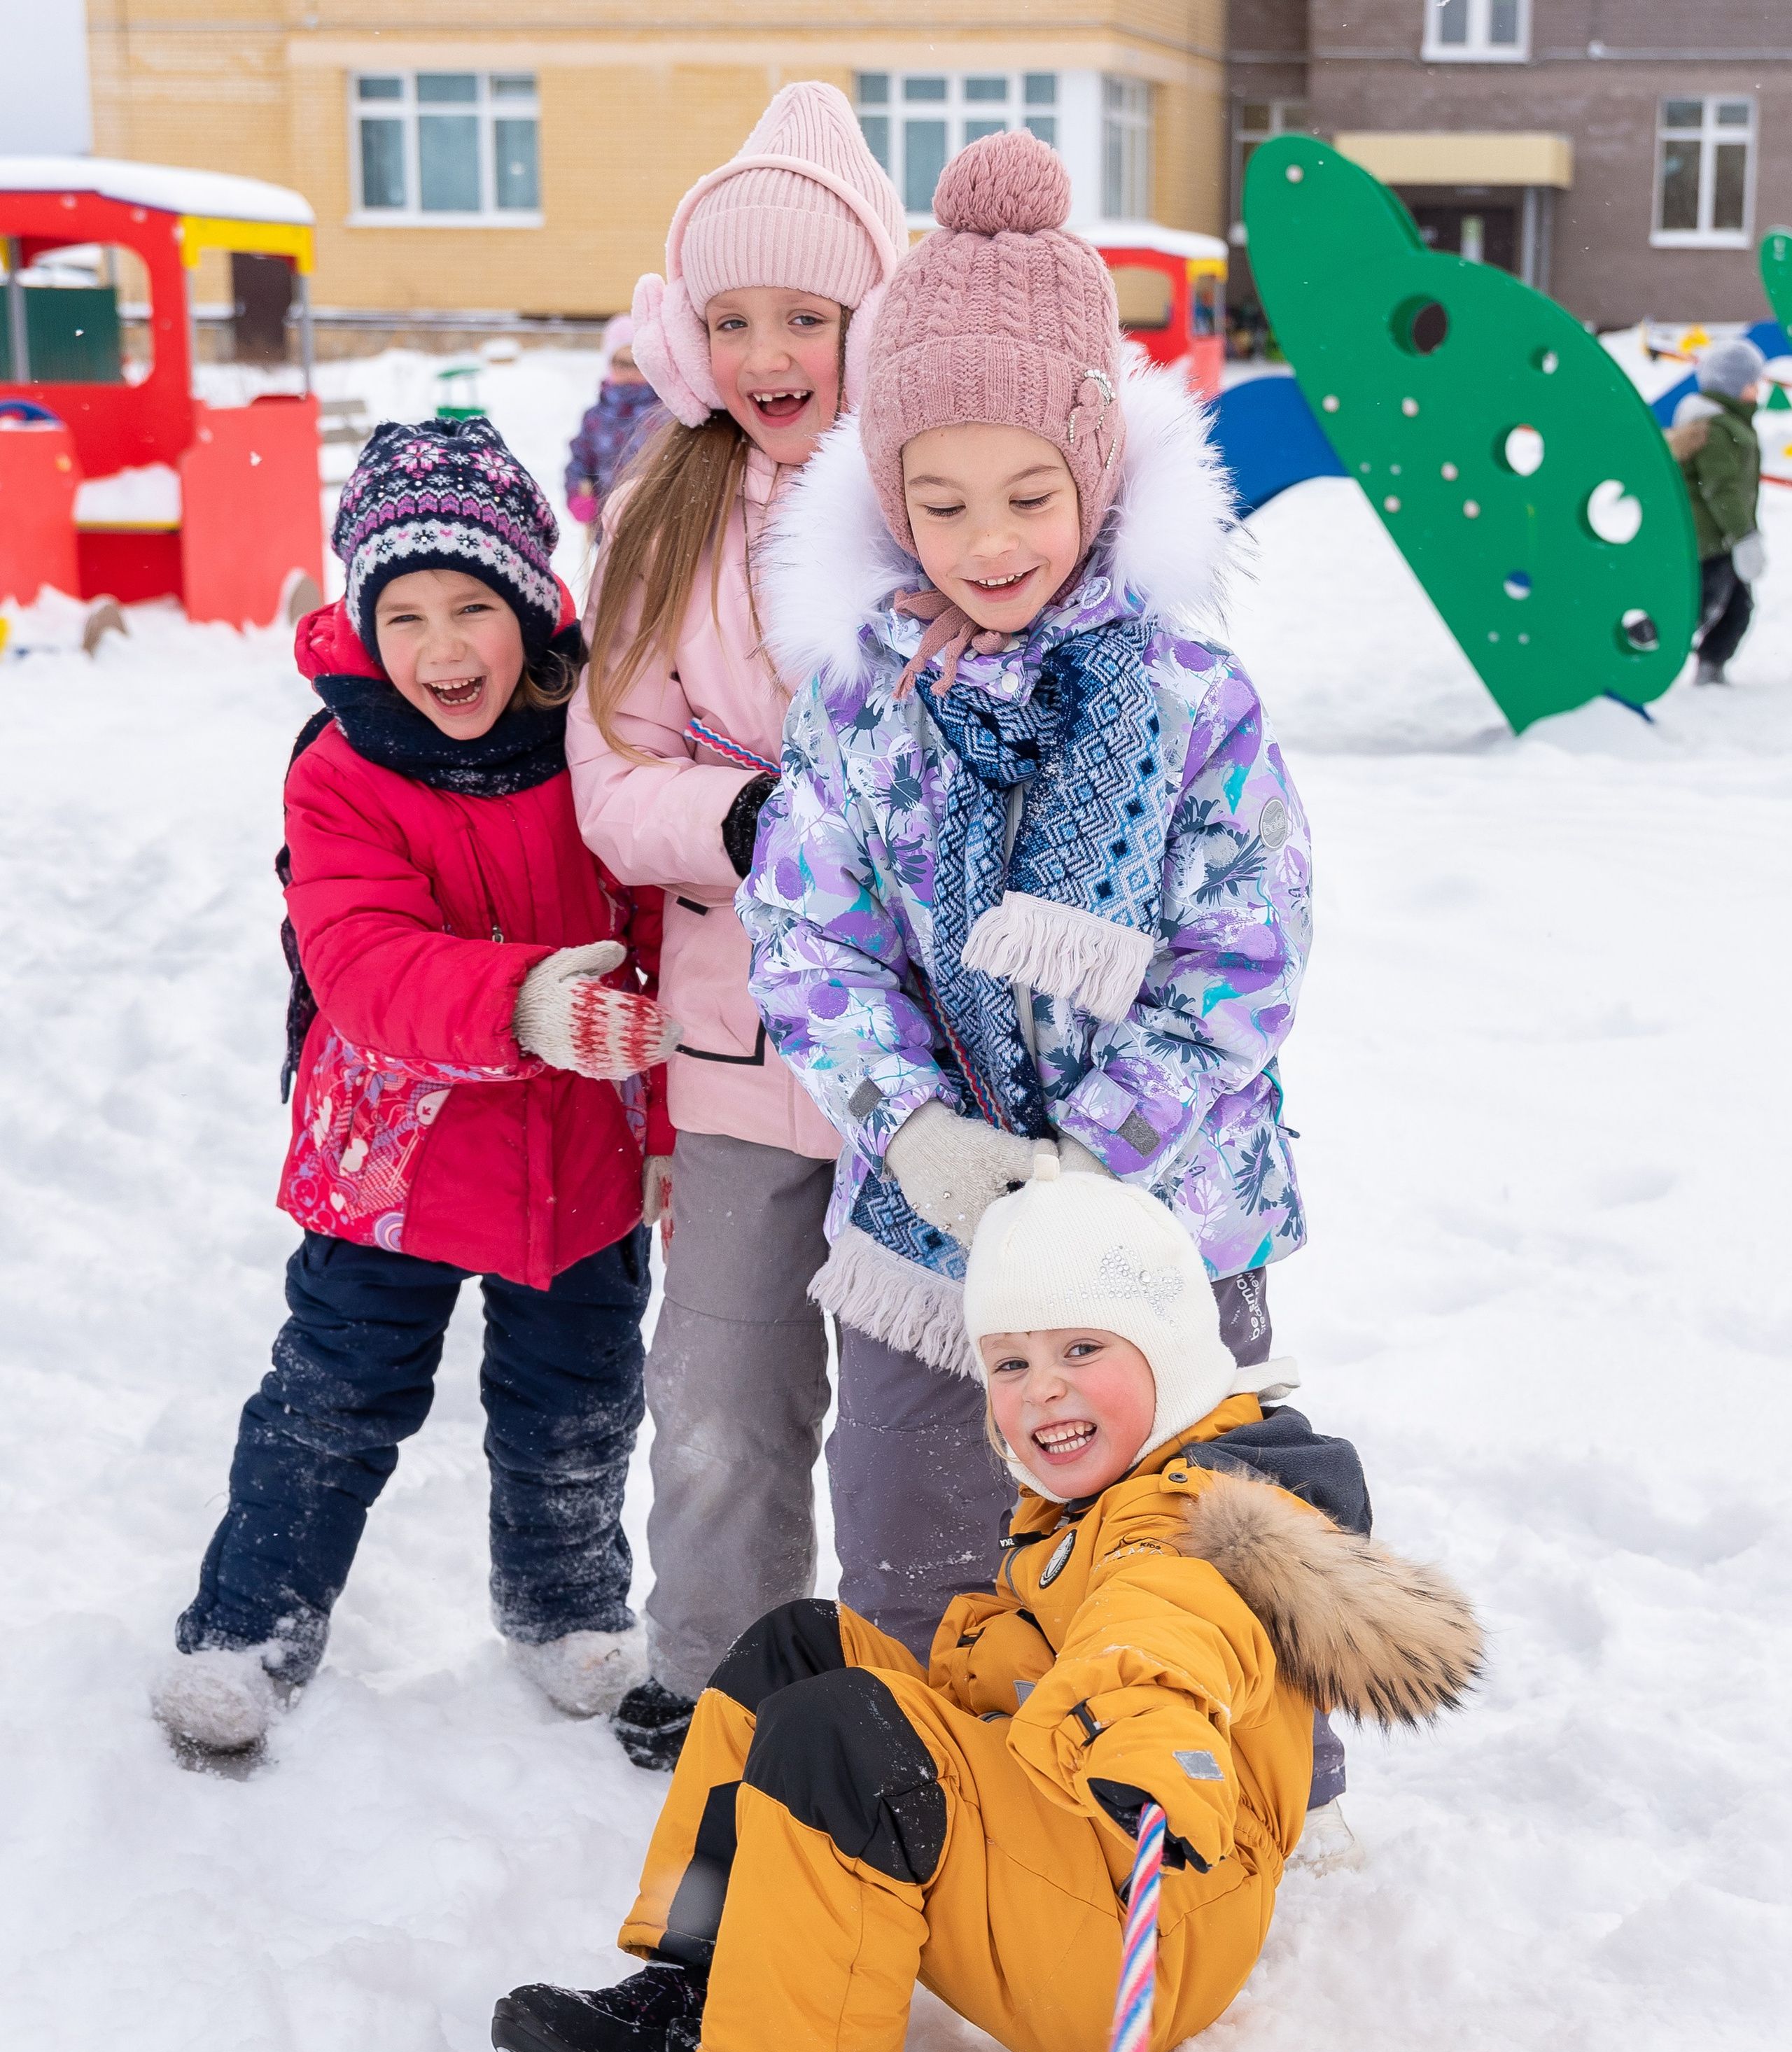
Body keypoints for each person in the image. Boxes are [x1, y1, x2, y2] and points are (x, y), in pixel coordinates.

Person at [492, 1151, 1481, 2052]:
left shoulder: (1201, 1518)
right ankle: (703, 1982)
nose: (1040, 1386)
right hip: (1067, 1859)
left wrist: (1152, 1748)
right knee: (799, 1650)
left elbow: (1164, 1635)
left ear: (1176, 1351)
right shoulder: (1097, 1497)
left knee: (846, 1732)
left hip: (1136, 1931)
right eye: (1008, 1362)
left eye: (1082, 1347)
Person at [740, 127, 1314, 1692]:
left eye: (1026, 495)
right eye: (938, 504)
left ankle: (1219, 1785)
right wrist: (920, 1132)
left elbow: (1243, 955)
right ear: (888, 501)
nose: (988, 544)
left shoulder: (1192, 697)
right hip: (933, 1220)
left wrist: (1099, 1151)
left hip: (1166, 1200)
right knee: (912, 1515)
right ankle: (925, 1790)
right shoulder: (862, 701)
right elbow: (807, 938)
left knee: (1187, 1526)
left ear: (1096, 476)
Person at [151, 416, 677, 1758]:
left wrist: (665, 1124)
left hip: (579, 1155)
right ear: (359, 619)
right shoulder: (343, 771)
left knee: (578, 1393)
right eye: (405, 613)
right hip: (389, 1158)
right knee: (334, 1393)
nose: (443, 650)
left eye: (474, 608)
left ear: (531, 606)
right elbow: (362, 958)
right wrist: (520, 1002)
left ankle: (564, 1605)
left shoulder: (597, 739)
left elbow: (665, 927)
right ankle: (249, 1625)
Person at [566, 82, 906, 1771]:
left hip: (912, 1053)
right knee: (715, 1389)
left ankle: (926, 1671)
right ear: (692, 338)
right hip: (730, 1036)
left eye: (807, 315)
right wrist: (738, 815)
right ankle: (710, 1663)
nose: (771, 349)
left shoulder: (935, 491)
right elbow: (609, 756)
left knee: (914, 1395)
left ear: (871, 320)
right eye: (733, 318)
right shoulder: (669, 506)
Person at [1671, 335, 1768, 687]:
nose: (1758, 390)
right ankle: (1640, 641)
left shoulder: (1727, 423)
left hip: (1723, 537)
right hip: (1712, 539)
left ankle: (1711, 667)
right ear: (1734, 387)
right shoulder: (1717, 429)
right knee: (1698, 608)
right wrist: (1742, 535)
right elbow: (1720, 488)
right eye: (1752, 383)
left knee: (1738, 608)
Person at [564, 315, 665, 538]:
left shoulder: (666, 414)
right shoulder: (596, 417)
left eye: (637, 363)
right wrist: (577, 493)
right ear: (609, 364)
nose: (630, 372)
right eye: (621, 363)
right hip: (608, 529)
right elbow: (581, 462)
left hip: (658, 529)